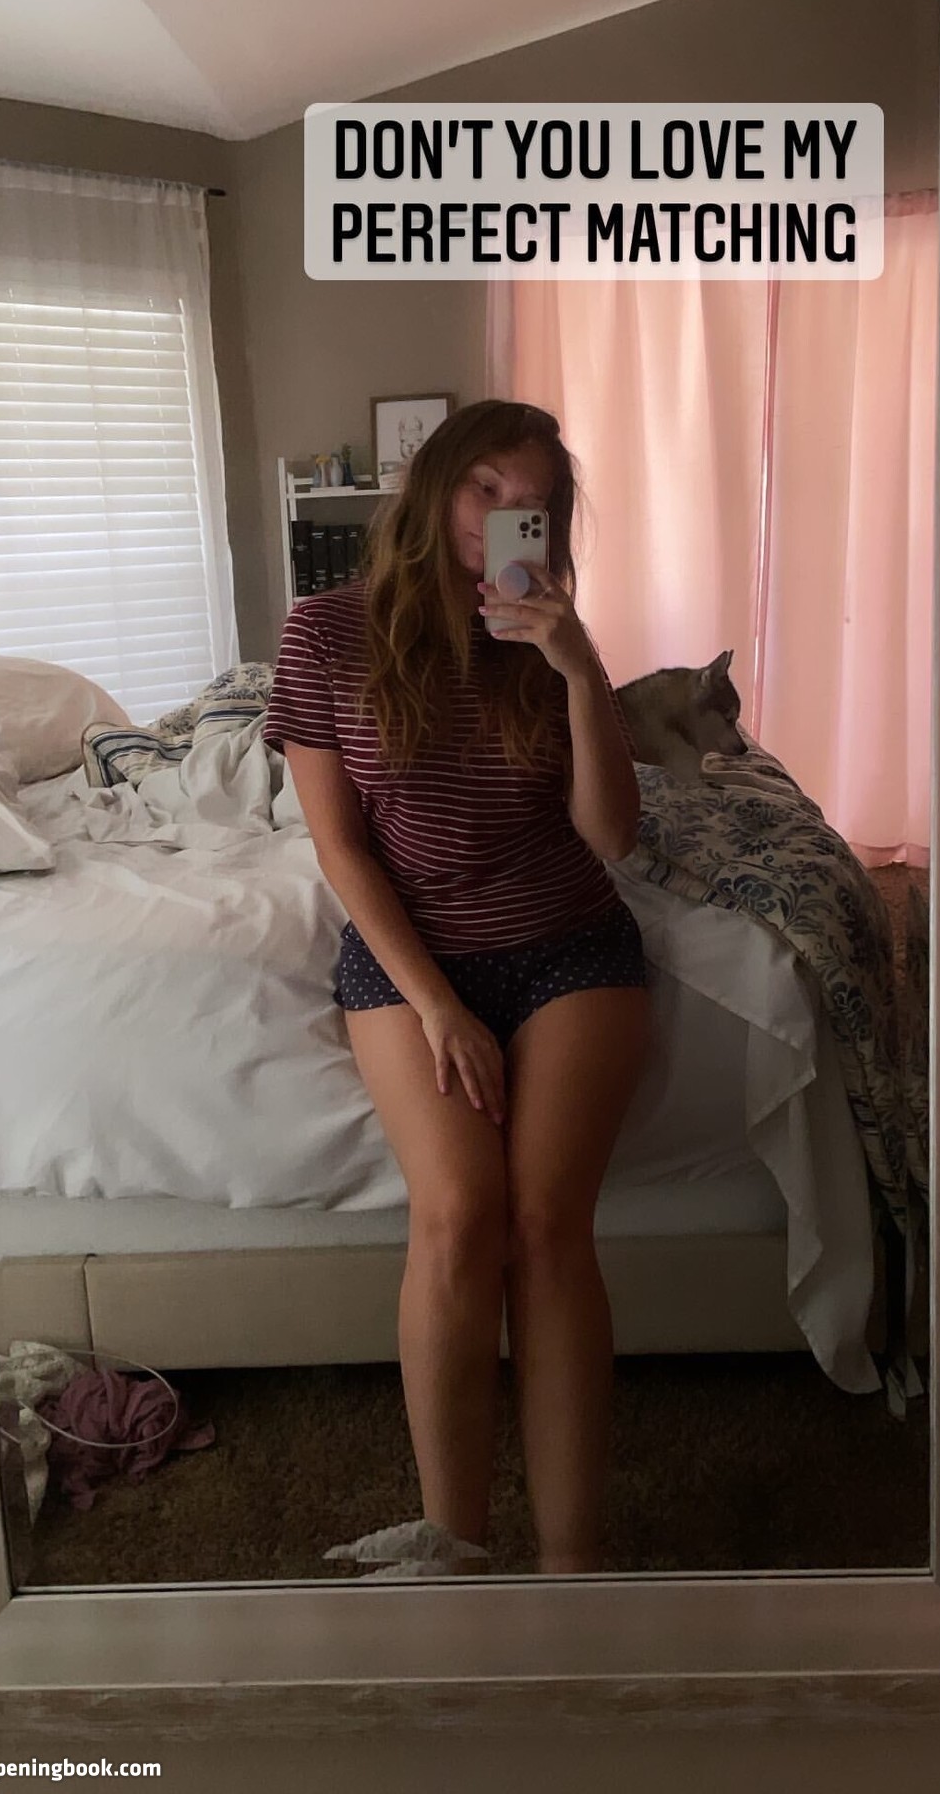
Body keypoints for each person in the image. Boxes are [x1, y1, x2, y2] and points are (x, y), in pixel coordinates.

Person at [263, 399, 653, 1576]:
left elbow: (613, 838)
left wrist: (579, 668)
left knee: (546, 1225)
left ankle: (571, 1568)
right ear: (435, 485)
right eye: (485, 487)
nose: (502, 515)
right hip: (412, 963)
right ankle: (456, 1549)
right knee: (456, 1215)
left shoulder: (547, 636)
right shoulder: (325, 634)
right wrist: (437, 1003)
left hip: (569, 946)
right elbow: (341, 851)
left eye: (531, 500)